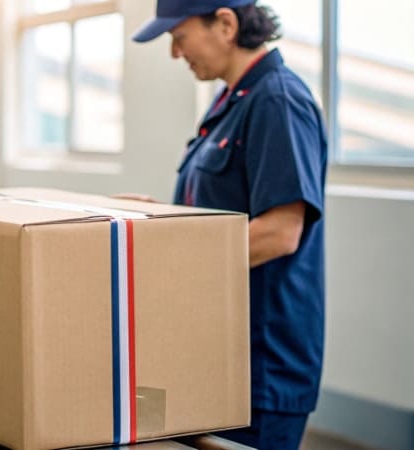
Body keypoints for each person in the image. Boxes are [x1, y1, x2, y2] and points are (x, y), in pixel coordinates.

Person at [130, 1, 328, 448]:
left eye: (179, 38)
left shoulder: (277, 99)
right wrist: (159, 219)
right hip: (217, 352)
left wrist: (167, 259)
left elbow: (280, 232)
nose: (175, 54)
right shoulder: (231, 99)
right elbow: (224, 214)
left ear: (225, 24)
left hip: (260, 360)